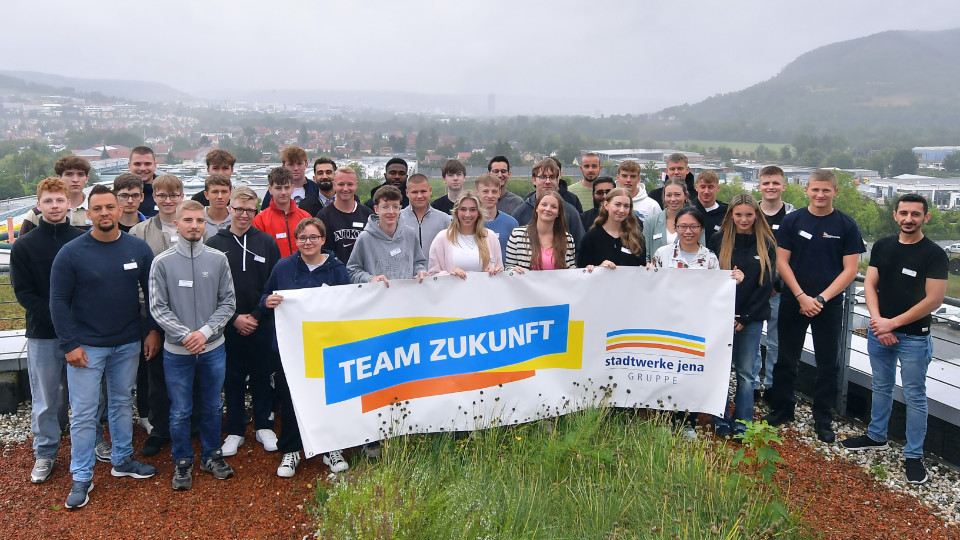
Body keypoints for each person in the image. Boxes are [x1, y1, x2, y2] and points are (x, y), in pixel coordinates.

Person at [50, 185, 158, 509]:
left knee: (123, 403)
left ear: (118, 209)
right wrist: (69, 344)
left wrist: (152, 331)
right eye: (97, 209)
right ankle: (81, 476)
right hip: (86, 347)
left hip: (127, 342)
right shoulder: (72, 253)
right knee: (83, 414)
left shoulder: (138, 249)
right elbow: (57, 301)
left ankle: (122, 460)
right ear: (89, 212)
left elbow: (152, 295)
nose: (105, 213)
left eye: (110, 207)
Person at [841, 193, 947, 485]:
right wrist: (878, 323)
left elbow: (934, 300)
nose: (908, 219)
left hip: (914, 337)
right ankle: (876, 436)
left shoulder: (934, 254)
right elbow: (871, 285)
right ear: (895, 215)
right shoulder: (884, 246)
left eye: (915, 214)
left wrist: (892, 324)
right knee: (881, 386)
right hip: (880, 332)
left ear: (925, 217)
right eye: (904, 213)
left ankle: (914, 455)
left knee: (914, 395)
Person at [764, 170, 865, 443]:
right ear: (806, 189)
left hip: (828, 305)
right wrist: (800, 296)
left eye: (826, 190)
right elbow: (781, 262)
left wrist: (820, 299)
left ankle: (823, 418)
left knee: (827, 363)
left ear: (835, 192)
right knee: (786, 358)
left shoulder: (846, 225)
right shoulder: (792, 220)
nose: (820, 195)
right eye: (815, 190)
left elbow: (850, 270)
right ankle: (783, 409)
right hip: (793, 300)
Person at [150, 200, 236, 490]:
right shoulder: (162, 262)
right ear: (177, 224)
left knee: (213, 406)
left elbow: (228, 302)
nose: (194, 226)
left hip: (213, 348)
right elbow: (158, 308)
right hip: (178, 351)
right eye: (188, 220)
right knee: (180, 410)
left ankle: (211, 455)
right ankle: (183, 460)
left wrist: (206, 331)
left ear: (205, 225)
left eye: (200, 221)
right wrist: (187, 334)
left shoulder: (217, 259)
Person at [260, 218, 352, 477]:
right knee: (291, 397)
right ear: (296, 240)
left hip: (326, 345)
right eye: (302, 238)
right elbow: (264, 296)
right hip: (292, 347)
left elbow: (348, 304)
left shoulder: (337, 269)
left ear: (323, 239)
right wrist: (268, 301)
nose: (307, 242)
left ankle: (331, 447)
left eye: (313, 237)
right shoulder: (284, 266)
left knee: (328, 396)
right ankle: (291, 449)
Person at [12, 178, 86, 484]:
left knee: (86, 395)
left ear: (69, 203)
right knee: (45, 398)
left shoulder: (83, 239)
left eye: (60, 200)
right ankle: (45, 452)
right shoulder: (25, 246)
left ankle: (91, 442)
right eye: (49, 201)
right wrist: (59, 320)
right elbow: (24, 294)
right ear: (39, 205)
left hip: (83, 332)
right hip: (43, 333)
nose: (55, 206)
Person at [206, 187, 282, 457]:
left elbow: (273, 284)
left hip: (261, 321)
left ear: (256, 211)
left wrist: (257, 315)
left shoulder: (266, 242)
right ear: (229, 208)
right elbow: (211, 289)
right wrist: (235, 318)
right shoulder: (214, 244)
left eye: (250, 210)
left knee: (262, 375)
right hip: (228, 324)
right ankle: (235, 430)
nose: (244, 215)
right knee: (233, 377)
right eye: (239, 209)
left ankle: (264, 425)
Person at [130, 174, 196, 458]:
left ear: (182, 196)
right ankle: (160, 430)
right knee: (156, 375)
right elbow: (136, 282)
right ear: (153, 197)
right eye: (162, 195)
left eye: (174, 195)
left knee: (193, 374)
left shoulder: (195, 227)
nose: (168, 201)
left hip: (193, 315)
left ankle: (191, 425)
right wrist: (153, 326)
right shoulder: (140, 232)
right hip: (154, 317)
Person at [707, 194, 776, 438]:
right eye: (738, 215)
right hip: (721, 318)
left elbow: (766, 285)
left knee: (746, 372)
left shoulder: (766, 243)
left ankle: (743, 421)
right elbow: (710, 280)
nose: (744, 219)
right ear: (731, 216)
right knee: (721, 369)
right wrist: (725, 315)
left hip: (751, 318)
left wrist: (745, 318)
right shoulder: (718, 240)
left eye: (748, 214)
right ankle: (720, 417)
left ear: (756, 215)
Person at [754, 166, 795, 396]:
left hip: (779, 291)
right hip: (753, 290)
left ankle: (772, 386)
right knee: (751, 341)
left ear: (783, 186)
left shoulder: (794, 217)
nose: (771, 187)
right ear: (759, 186)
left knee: (776, 342)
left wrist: (773, 282)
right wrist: (761, 282)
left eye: (775, 183)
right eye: (766, 183)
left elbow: (794, 255)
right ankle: (752, 385)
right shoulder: (749, 214)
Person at [347, 185, 429, 285]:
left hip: (406, 296)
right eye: (385, 207)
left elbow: (418, 263)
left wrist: (420, 271)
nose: (391, 212)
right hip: (378, 297)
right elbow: (352, 271)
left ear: (400, 208)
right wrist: (370, 279)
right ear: (376, 209)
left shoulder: (410, 234)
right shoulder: (365, 238)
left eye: (395, 207)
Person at [428, 191, 503, 278]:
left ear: (479, 212)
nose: (467, 214)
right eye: (463, 209)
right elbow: (432, 276)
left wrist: (496, 271)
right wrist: (449, 275)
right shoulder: (442, 238)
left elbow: (500, 271)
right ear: (456, 211)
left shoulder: (490, 237)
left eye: (472, 210)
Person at [511, 158, 585, 246]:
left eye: (552, 177)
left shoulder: (570, 213)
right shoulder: (521, 212)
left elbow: (580, 248)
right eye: (542, 177)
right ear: (534, 180)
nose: (547, 181)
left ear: (558, 180)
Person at [20, 155, 93, 235]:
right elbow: (23, 244)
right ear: (59, 177)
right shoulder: (36, 214)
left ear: (86, 179)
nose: (75, 180)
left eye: (80, 174)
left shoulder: (97, 210)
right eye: (69, 174)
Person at [505, 190, 576, 271]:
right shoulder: (517, 235)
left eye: (554, 207)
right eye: (544, 205)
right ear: (536, 208)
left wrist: (589, 271)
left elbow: (571, 271)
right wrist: (513, 270)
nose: (548, 209)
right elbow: (508, 267)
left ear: (558, 212)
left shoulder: (567, 239)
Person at [576, 187, 646, 269]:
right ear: (606, 205)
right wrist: (599, 268)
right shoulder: (591, 237)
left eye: (626, 206)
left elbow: (643, 265)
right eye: (617, 205)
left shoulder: (636, 237)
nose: (622, 210)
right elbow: (582, 270)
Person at [317, 166, 374, 264]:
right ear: (334, 185)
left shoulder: (368, 215)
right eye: (341, 184)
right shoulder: (323, 217)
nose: (345, 188)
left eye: (350, 184)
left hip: (364, 274)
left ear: (356, 185)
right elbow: (322, 252)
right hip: (336, 273)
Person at [253, 167, 312, 258]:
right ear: (270, 189)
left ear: (292, 188)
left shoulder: (305, 217)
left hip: (302, 270)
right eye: (278, 188)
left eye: (287, 187)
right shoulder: (260, 220)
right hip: (274, 271)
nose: (283, 192)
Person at [643, 178, 703, 263]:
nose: (673, 199)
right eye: (669, 195)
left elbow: (702, 252)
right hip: (657, 274)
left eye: (677, 195)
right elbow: (645, 255)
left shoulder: (697, 221)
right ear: (664, 196)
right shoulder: (651, 222)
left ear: (685, 195)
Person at [399, 173, 451, 257]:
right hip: (406, 270)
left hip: (436, 270)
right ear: (407, 193)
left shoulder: (443, 219)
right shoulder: (398, 218)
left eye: (423, 191)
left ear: (430, 191)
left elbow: (451, 249)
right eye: (414, 192)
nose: (419, 196)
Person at [260, 146, 322, 215]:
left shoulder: (316, 189)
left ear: (306, 165)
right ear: (284, 166)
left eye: (299, 164)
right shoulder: (274, 191)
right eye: (291, 164)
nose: (296, 168)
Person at [475, 172, 518, 263]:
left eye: (494, 191)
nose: (490, 196)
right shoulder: (470, 223)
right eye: (485, 191)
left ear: (499, 193)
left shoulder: (511, 223)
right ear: (477, 193)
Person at [692, 170, 728, 236]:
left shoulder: (726, 214)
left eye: (710, 187)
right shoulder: (687, 211)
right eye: (703, 187)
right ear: (696, 187)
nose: (706, 191)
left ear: (718, 188)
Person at [129, 146, 159, 217]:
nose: (142, 168)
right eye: (137, 164)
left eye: (147, 164)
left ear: (155, 165)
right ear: (129, 166)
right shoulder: (117, 194)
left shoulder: (168, 193)